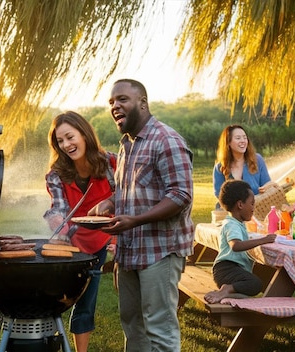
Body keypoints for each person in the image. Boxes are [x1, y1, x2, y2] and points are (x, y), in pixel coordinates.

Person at [91, 79, 193, 352]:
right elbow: (131, 190)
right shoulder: (127, 144)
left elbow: (181, 196)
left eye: (122, 99)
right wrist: (109, 202)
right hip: (129, 250)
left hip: (159, 251)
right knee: (132, 324)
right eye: (111, 102)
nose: (115, 106)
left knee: (159, 327)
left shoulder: (167, 140)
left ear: (143, 103)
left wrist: (134, 221)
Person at [43, 111, 116, 352]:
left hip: (99, 243)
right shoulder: (56, 174)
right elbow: (59, 210)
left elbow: (127, 196)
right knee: (53, 301)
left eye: (69, 137)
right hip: (69, 246)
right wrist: (59, 230)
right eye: (60, 141)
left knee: (86, 303)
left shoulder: (111, 164)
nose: (66, 145)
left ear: (84, 134)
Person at [204, 180, 276, 304]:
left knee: (267, 273)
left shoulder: (237, 223)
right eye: (252, 204)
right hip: (226, 270)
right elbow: (235, 246)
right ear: (240, 205)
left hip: (232, 270)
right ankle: (227, 289)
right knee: (255, 284)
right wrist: (263, 240)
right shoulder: (232, 225)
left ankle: (232, 295)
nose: (254, 208)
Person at [213, 125, 271, 203]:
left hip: (257, 209)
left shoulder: (257, 160)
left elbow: (267, 186)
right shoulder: (220, 167)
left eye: (245, 137)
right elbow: (219, 195)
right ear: (228, 142)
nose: (243, 141)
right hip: (230, 212)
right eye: (238, 138)